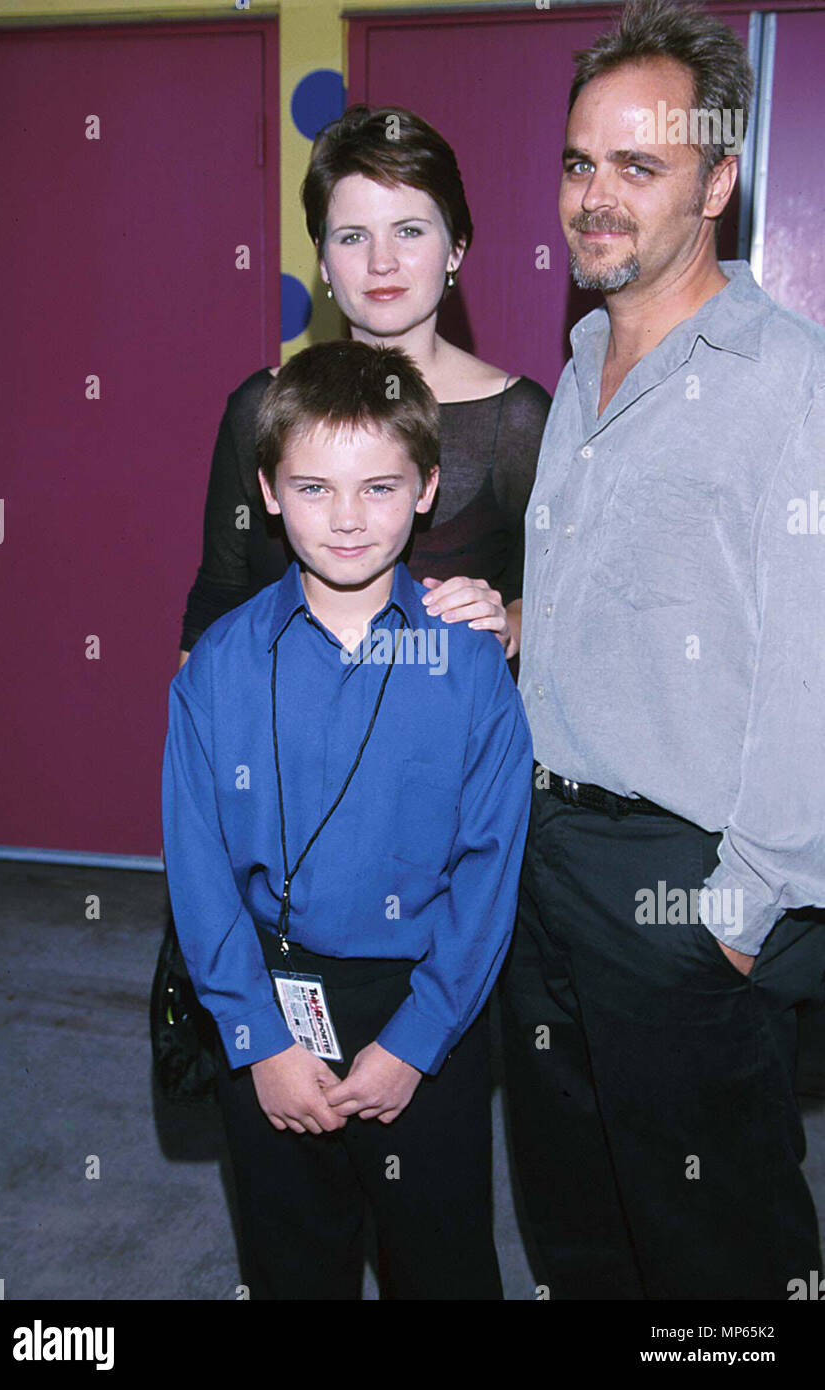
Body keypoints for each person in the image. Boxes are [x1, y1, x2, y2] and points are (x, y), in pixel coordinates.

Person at [501, 0, 825, 1300]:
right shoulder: (576, 363)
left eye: (637, 166)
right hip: (542, 874)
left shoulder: (785, 381)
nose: (594, 196)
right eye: (579, 162)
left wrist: (736, 914)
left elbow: (811, 668)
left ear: (718, 180)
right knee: (578, 1235)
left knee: (719, 1260)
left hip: (684, 894)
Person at [162, 339, 534, 1300]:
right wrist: (256, 1040)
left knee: (443, 1263)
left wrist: (420, 1039)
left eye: (379, 486)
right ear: (269, 492)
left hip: (427, 1011)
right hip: (270, 1004)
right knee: (292, 1263)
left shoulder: (469, 668)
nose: (348, 517)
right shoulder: (217, 669)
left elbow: (492, 871)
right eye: (315, 487)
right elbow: (198, 873)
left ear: (428, 489)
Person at [178, 104, 551, 666]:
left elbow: (551, 602)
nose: (381, 262)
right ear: (323, 262)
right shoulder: (260, 407)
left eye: (408, 231)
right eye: (352, 237)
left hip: (447, 747)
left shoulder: (518, 418)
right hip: (279, 744)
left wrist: (511, 625)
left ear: (455, 248)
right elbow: (217, 603)